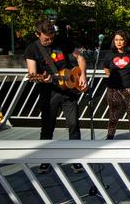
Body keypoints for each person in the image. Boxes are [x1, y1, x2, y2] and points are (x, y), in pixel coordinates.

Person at [24, 20, 86, 174]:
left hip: (69, 89)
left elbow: (80, 58)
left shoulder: (63, 41)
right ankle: (45, 159)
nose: (50, 41)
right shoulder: (32, 49)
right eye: (46, 39)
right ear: (37, 34)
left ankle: (76, 159)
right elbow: (32, 73)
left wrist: (83, 75)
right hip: (48, 91)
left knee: (73, 124)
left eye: (51, 38)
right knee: (47, 126)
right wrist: (40, 77)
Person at [103, 30, 130, 140]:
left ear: (126, 41)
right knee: (113, 114)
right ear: (113, 41)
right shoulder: (109, 55)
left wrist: (126, 77)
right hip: (113, 88)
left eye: (121, 39)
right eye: (116, 40)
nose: (118, 42)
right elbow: (106, 69)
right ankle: (110, 136)